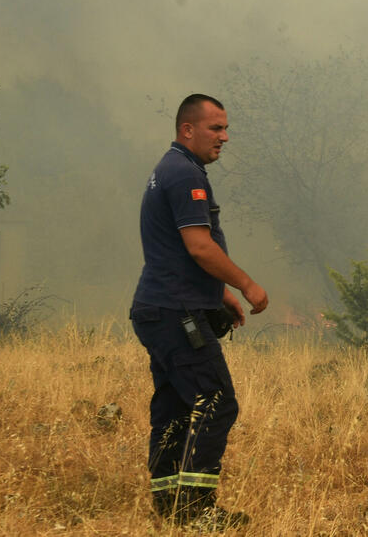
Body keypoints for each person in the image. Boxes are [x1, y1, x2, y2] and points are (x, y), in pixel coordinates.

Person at [130, 93, 268, 527]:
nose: (224, 137)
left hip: (158, 308)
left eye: (225, 128)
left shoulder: (169, 169)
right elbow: (199, 246)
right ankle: (197, 512)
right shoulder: (185, 174)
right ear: (187, 129)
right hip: (176, 312)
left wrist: (218, 294)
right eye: (216, 128)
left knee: (174, 408)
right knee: (216, 402)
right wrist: (244, 284)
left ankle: (169, 504)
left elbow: (174, 251)